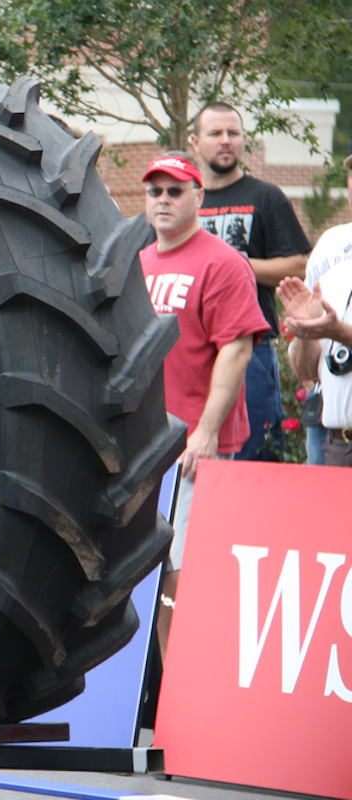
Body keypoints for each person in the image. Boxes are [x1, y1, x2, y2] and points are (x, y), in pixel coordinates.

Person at [138, 152, 268, 660]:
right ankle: (155, 689)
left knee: (183, 573)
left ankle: (181, 692)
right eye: (156, 192)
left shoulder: (222, 262)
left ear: (199, 197)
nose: (164, 200)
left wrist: (206, 431)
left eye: (176, 191)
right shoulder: (139, 262)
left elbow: (236, 349)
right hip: (144, 449)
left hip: (194, 449)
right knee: (151, 571)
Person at [190, 102, 311, 461]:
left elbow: (297, 264)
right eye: (215, 134)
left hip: (251, 349)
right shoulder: (184, 199)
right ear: (195, 142)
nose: (226, 141)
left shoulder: (265, 197)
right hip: (192, 351)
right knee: (191, 456)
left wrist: (232, 264)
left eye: (234, 133)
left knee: (254, 456)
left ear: (244, 140)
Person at [279, 158, 352, 467]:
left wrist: (337, 333)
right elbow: (307, 371)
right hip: (336, 442)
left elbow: (336, 333)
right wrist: (307, 330)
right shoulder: (331, 248)